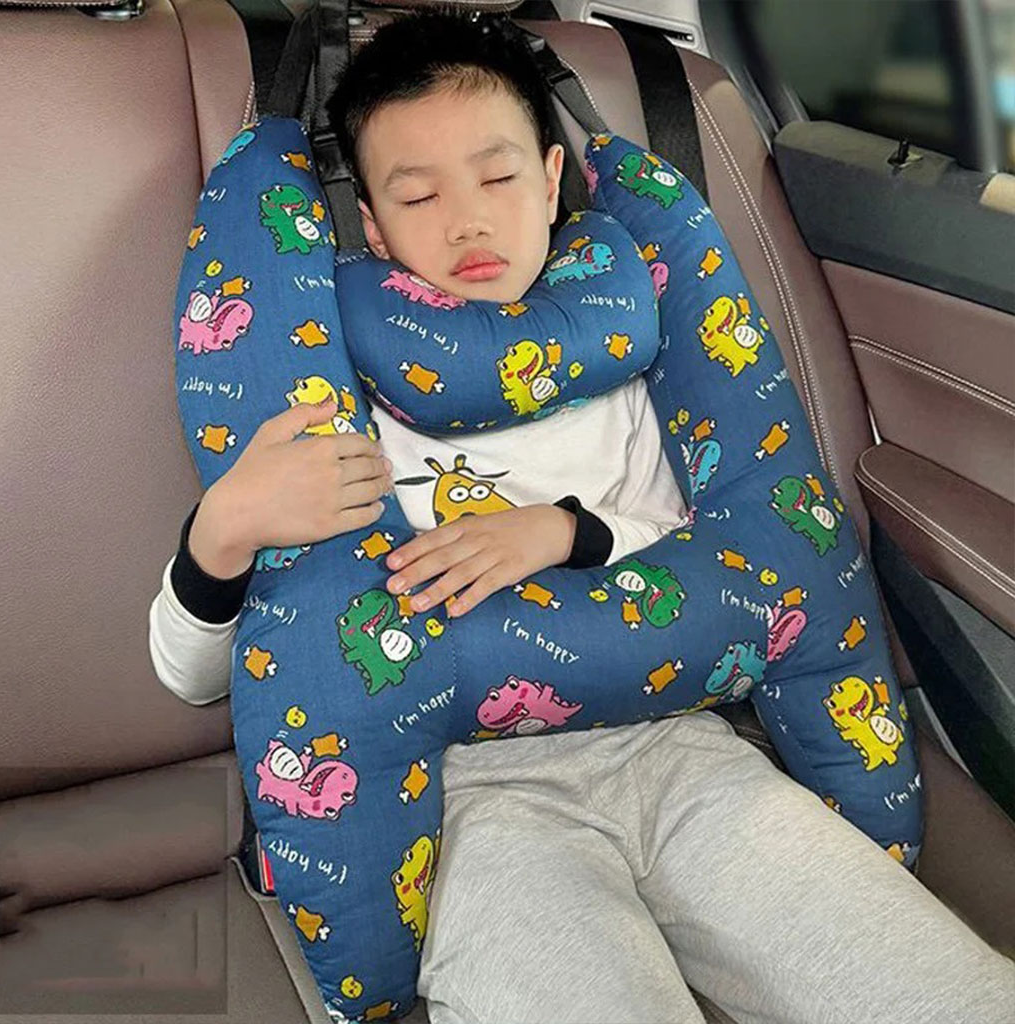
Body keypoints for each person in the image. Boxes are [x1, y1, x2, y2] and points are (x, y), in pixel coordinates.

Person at [149, 10, 1015, 1023]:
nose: (467, 222)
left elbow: (717, 556)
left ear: (554, 179)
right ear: (371, 226)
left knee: (941, 991)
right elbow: (207, 676)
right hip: (472, 802)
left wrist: (564, 531)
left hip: (683, 755)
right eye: (419, 196)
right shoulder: (329, 406)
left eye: (499, 178)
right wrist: (222, 533)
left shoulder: (615, 372)